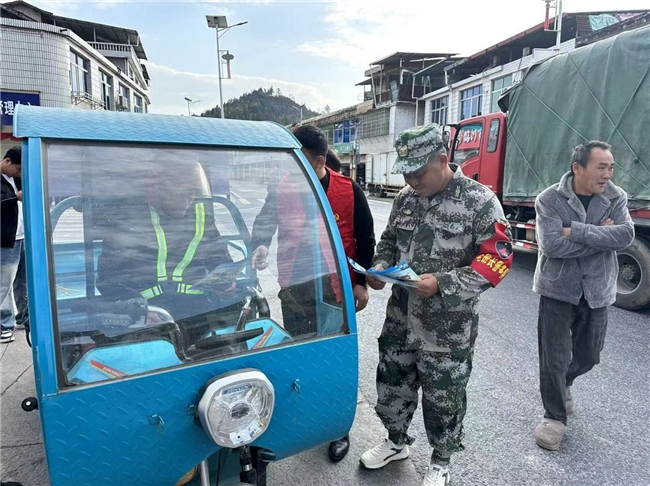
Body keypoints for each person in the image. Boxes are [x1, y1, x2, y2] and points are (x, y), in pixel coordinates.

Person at [359, 124, 514, 486]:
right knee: (393, 383)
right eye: (406, 173)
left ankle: (441, 460)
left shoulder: (480, 201)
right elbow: (389, 241)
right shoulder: (405, 199)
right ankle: (395, 442)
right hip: (400, 319)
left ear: (442, 160)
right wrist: (379, 268)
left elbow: (497, 260)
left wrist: (443, 284)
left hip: (447, 329)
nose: (411, 180)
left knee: (444, 398)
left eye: (418, 172)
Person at [250, 124, 375, 462]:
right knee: (299, 353)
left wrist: (361, 282)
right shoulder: (283, 188)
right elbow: (264, 221)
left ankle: (337, 427)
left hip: (335, 289)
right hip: (296, 286)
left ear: (319, 161)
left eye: (299, 159)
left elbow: (365, 238)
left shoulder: (348, 190)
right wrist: (260, 244)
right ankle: (304, 419)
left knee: (334, 359)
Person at [532, 141, 634, 451]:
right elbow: (552, 245)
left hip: (597, 290)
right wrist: (601, 234)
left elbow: (625, 235)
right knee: (553, 358)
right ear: (578, 168)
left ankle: (565, 382)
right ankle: (554, 417)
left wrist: (574, 230)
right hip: (557, 289)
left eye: (611, 167)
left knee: (590, 355)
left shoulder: (616, 196)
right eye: (601, 167)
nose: (607, 174)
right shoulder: (549, 199)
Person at [94, 160, 236, 342]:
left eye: (193, 194)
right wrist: (137, 310)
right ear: (159, 192)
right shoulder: (128, 218)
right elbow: (108, 280)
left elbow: (219, 258)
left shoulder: (200, 214)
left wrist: (226, 284)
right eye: (183, 195)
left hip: (197, 313)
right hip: (147, 318)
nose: (189, 201)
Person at [1, 146, 28, 344]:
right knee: (4, 284)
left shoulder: (16, 178)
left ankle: (24, 318)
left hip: (23, 237)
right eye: (18, 169)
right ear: (7, 161)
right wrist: (15, 198)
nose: (19, 173)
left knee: (23, 282)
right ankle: (4, 325)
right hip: (5, 241)